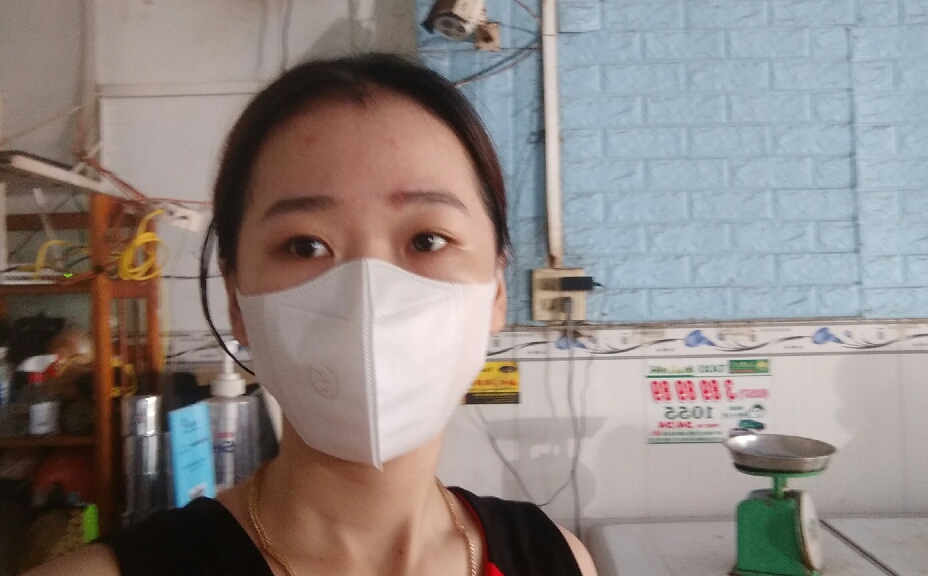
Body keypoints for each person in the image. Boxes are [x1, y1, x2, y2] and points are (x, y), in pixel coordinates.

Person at [29, 54, 598, 576]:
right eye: (305, 246)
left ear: (496, 291)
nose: (368, 297)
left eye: (427, 239)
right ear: (237, 301)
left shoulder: (555, 560)